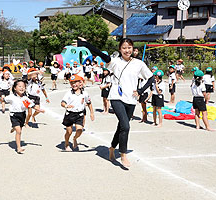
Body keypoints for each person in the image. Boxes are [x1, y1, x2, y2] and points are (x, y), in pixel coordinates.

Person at [74, 37, 154, 167]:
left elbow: (151, 79)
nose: (127, 50)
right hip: (116, 96)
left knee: (122, 126)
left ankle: (112, 148)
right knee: (126, 126)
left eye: (129, 48)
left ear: (133, 49)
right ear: (119, 49)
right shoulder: (115, 61)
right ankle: (123, 154)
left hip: (131, 99)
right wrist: (85, 44)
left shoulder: (139, 63)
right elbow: (101, 54)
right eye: (124, 48)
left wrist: (140, 91)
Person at [0, 80, 45, 153]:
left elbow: (32, 105)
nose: (22, 88)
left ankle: (14, 128)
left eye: (23, 87)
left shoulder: (25, 98)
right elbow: (3, 100)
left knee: (18, 129)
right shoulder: (11, 97)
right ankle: (19, 148)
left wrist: (39, 110)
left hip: (22, 115)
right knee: (19, 131)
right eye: (19, 86)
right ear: (14, 88)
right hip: (14, 115)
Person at [61, 74, 94, 151]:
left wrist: (92, 113)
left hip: (79, 114)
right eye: (72, 83)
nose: (74, 84)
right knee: (69, 131)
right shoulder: (68, 93)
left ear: (80, 83)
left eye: (75, 82)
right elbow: (62, 102)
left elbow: (89, 103)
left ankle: (75, 138)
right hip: (69, 114)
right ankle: (66, 144)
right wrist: (66, 106)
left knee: (79, 130)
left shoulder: (85, 93)